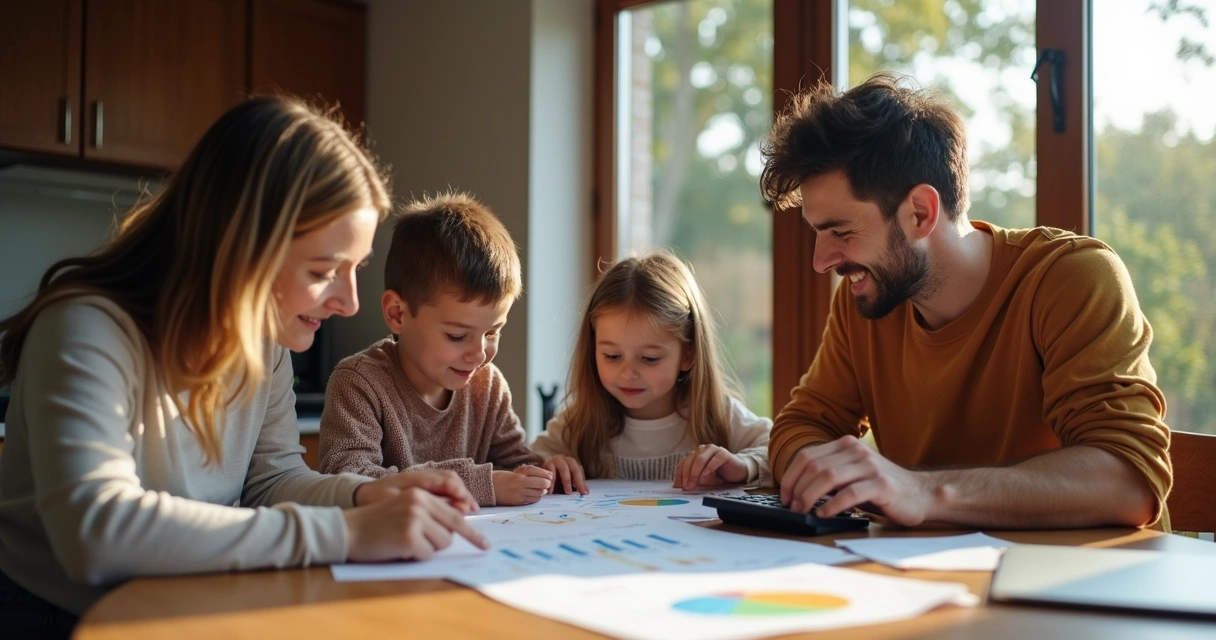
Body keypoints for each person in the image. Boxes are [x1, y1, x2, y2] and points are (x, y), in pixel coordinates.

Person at [0, 97, 488, 638]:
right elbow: (95, 533)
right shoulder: (86, 328)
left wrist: (362, 494)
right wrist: (344, 532)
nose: (349, 302)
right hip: (59, 616)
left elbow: (272, 479)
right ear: (240, 247)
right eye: (324, 269)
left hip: (190, 597)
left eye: (357, 269)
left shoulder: (264, 345)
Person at [759, 72, 1171, 530]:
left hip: (1086, 586)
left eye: (841, 231)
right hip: (938, 580)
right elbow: (800, 426)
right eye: (818, 234)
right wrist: (830, 476)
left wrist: (921, 492)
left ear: (921, 212)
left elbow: (1129, 480)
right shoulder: (867, 298)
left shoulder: (1071, 277)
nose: (821, 262)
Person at [318, 192, 556, 507]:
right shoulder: (359, 383)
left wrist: (546, 470)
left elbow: (514, 463)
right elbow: (347, 479)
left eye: (493, 332)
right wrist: (480, 485)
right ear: (397, 314)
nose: (479, 354)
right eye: (457, 336)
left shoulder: (488, 385)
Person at [532, 252, 771, 492]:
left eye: (649, 358)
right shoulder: (580, 422)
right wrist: (549, 465)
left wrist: (745, 465)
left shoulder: (720, 416)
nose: (628, 373)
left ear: (689, 354)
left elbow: (783, 451)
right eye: (612, 356)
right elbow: (525, 461)